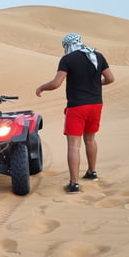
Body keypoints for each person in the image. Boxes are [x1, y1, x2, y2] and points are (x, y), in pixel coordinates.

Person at [35, 33, 115, 193]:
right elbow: (110, 78)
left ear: (68, 45)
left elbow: (56, 83)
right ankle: (92, 173)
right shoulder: (97, 56)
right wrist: (97, 83)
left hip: (77, 106)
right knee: (90, 140)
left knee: (74, 146)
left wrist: (42, 87)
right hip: (96, 105)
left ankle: (74, 183)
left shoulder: (68, 59)